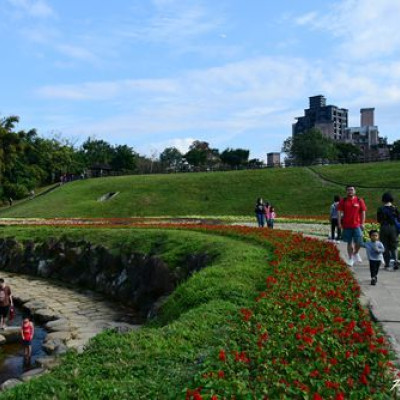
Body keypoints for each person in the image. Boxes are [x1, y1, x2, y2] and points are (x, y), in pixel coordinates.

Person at [337, 185, 367, 267]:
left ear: (355, 191)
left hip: (357, 224)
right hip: (347, 225)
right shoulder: (343, 201)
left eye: (352, 189)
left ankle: (355, 253)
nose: (350, 191)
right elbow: (339, 212)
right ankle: (350, 258)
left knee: (360, 242)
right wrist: (339, 223)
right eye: (348, 190)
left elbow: (363, 212)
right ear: (346, 191)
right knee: (349, 242)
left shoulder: (359, 200)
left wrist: (362, 223)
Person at [377, 192, 399, 270]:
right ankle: (396, 261)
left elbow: (379, 220)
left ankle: (387, 264)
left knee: (384, 246)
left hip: (384, 228)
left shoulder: (380, 209)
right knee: (394, 245)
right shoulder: (395, 208)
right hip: (393, 228)